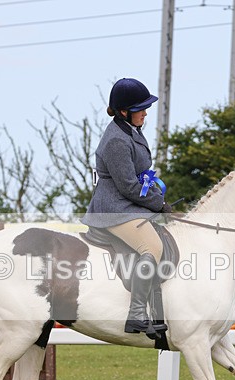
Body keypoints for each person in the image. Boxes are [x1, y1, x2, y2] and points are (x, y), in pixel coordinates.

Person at [82, 78, 171, 335]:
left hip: (126, 204)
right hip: (114, 208)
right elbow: (129, 186)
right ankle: (136, 313)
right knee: (152, 248)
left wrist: (156, 196)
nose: (145, 113)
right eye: (141, 109)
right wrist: (158, 204)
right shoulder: (117, 141)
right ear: (123, 111)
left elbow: (140, 177)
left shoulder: (130, 130)